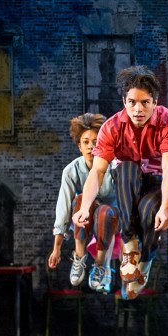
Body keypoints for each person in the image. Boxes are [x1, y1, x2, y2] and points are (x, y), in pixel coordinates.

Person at [74, 66, 168, 300]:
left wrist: (165, 209)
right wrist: (84, 208)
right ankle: (129, 244)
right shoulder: (112, 127)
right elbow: (98, 171)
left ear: (155, 102)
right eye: (132, 102)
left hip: (161, 181)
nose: (138, 109)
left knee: (148, 211)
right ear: (124, 101)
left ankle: (146, 259)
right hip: (130, 181)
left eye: (145, 102)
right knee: (125, 168)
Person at [47, 113, 118, 293]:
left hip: (110, 220)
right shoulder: (71, 170)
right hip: (83, 222)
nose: (91, 146)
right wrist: (57, 248)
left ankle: (100, 265)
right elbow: (63, 207)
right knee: (80, 199)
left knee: (104, 211)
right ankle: (79, 257)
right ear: (79, 146)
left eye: (95, 142)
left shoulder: (113, 167)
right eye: (86, 142)